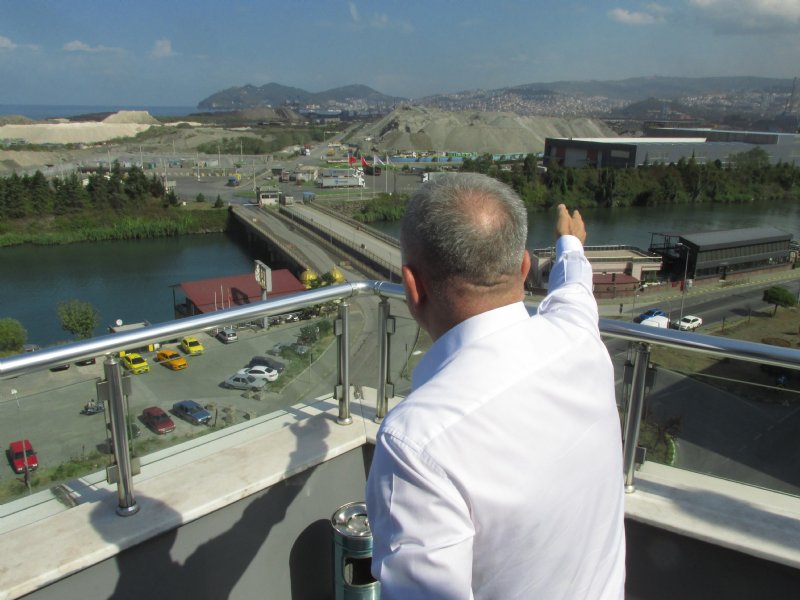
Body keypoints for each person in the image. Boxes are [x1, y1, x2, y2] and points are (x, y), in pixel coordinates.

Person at [365, 173, 625, 599]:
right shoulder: (579, 336)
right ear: (523, 266)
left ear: (412, 288)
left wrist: (570, 248)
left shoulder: (415, 444)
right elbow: (575, 288)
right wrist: (570, 243)